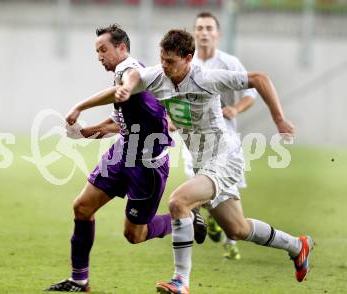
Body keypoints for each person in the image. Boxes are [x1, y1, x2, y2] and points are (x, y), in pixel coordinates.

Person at [113, 29, 313, 294]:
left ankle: (180, 281)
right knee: (238, 228)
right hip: (202, 164)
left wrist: (279, 120)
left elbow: (259, 79)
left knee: (178, 202)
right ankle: (297, 246)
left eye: (170, 61)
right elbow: (135, 77)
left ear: (188, 58)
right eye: (161, 59)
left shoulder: (206, 78)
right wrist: (115, 91)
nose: (164, 65)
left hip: (224, 159)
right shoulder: (159, 75)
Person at [44, 24, 206, 292]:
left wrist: (79, 106)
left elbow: (130, 79)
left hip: (147, 165)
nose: (99, 56)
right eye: (97, 51)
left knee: (135, 235)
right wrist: (84, 133)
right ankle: (78, 280)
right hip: (122, 152)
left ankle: (185, 217)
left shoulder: (129, 69)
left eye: (103, 49)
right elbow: (118, 124)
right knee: (82, 207)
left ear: (122, 48)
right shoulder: (126, 82)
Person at [182, 11, 258, 260]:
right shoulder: (188, 65)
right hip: (195, 138)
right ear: (194, 33)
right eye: (200, 28)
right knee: (196, 182)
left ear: (218, 34)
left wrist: (235, 109)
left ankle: (230, 240)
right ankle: (212, 217)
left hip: (226, 137)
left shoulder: (229, 63)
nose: (204, 32)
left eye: (209, 28)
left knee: (228, 188)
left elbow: (252, 93)